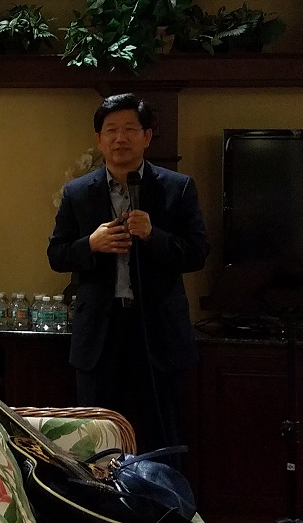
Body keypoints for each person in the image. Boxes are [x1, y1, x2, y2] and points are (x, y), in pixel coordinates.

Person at [47, 93, 209, 459]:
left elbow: (198, 253)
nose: (120, 138)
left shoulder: (177, 187)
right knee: (96, 442)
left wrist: (155, 235)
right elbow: (56, 255)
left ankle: (164, 494)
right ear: (99, 139)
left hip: (158, 334)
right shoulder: (77, 192)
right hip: (100, 337)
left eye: (130, 130)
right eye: (111, 130)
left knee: (163, 440)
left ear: (147, 136)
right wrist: (91, 244)